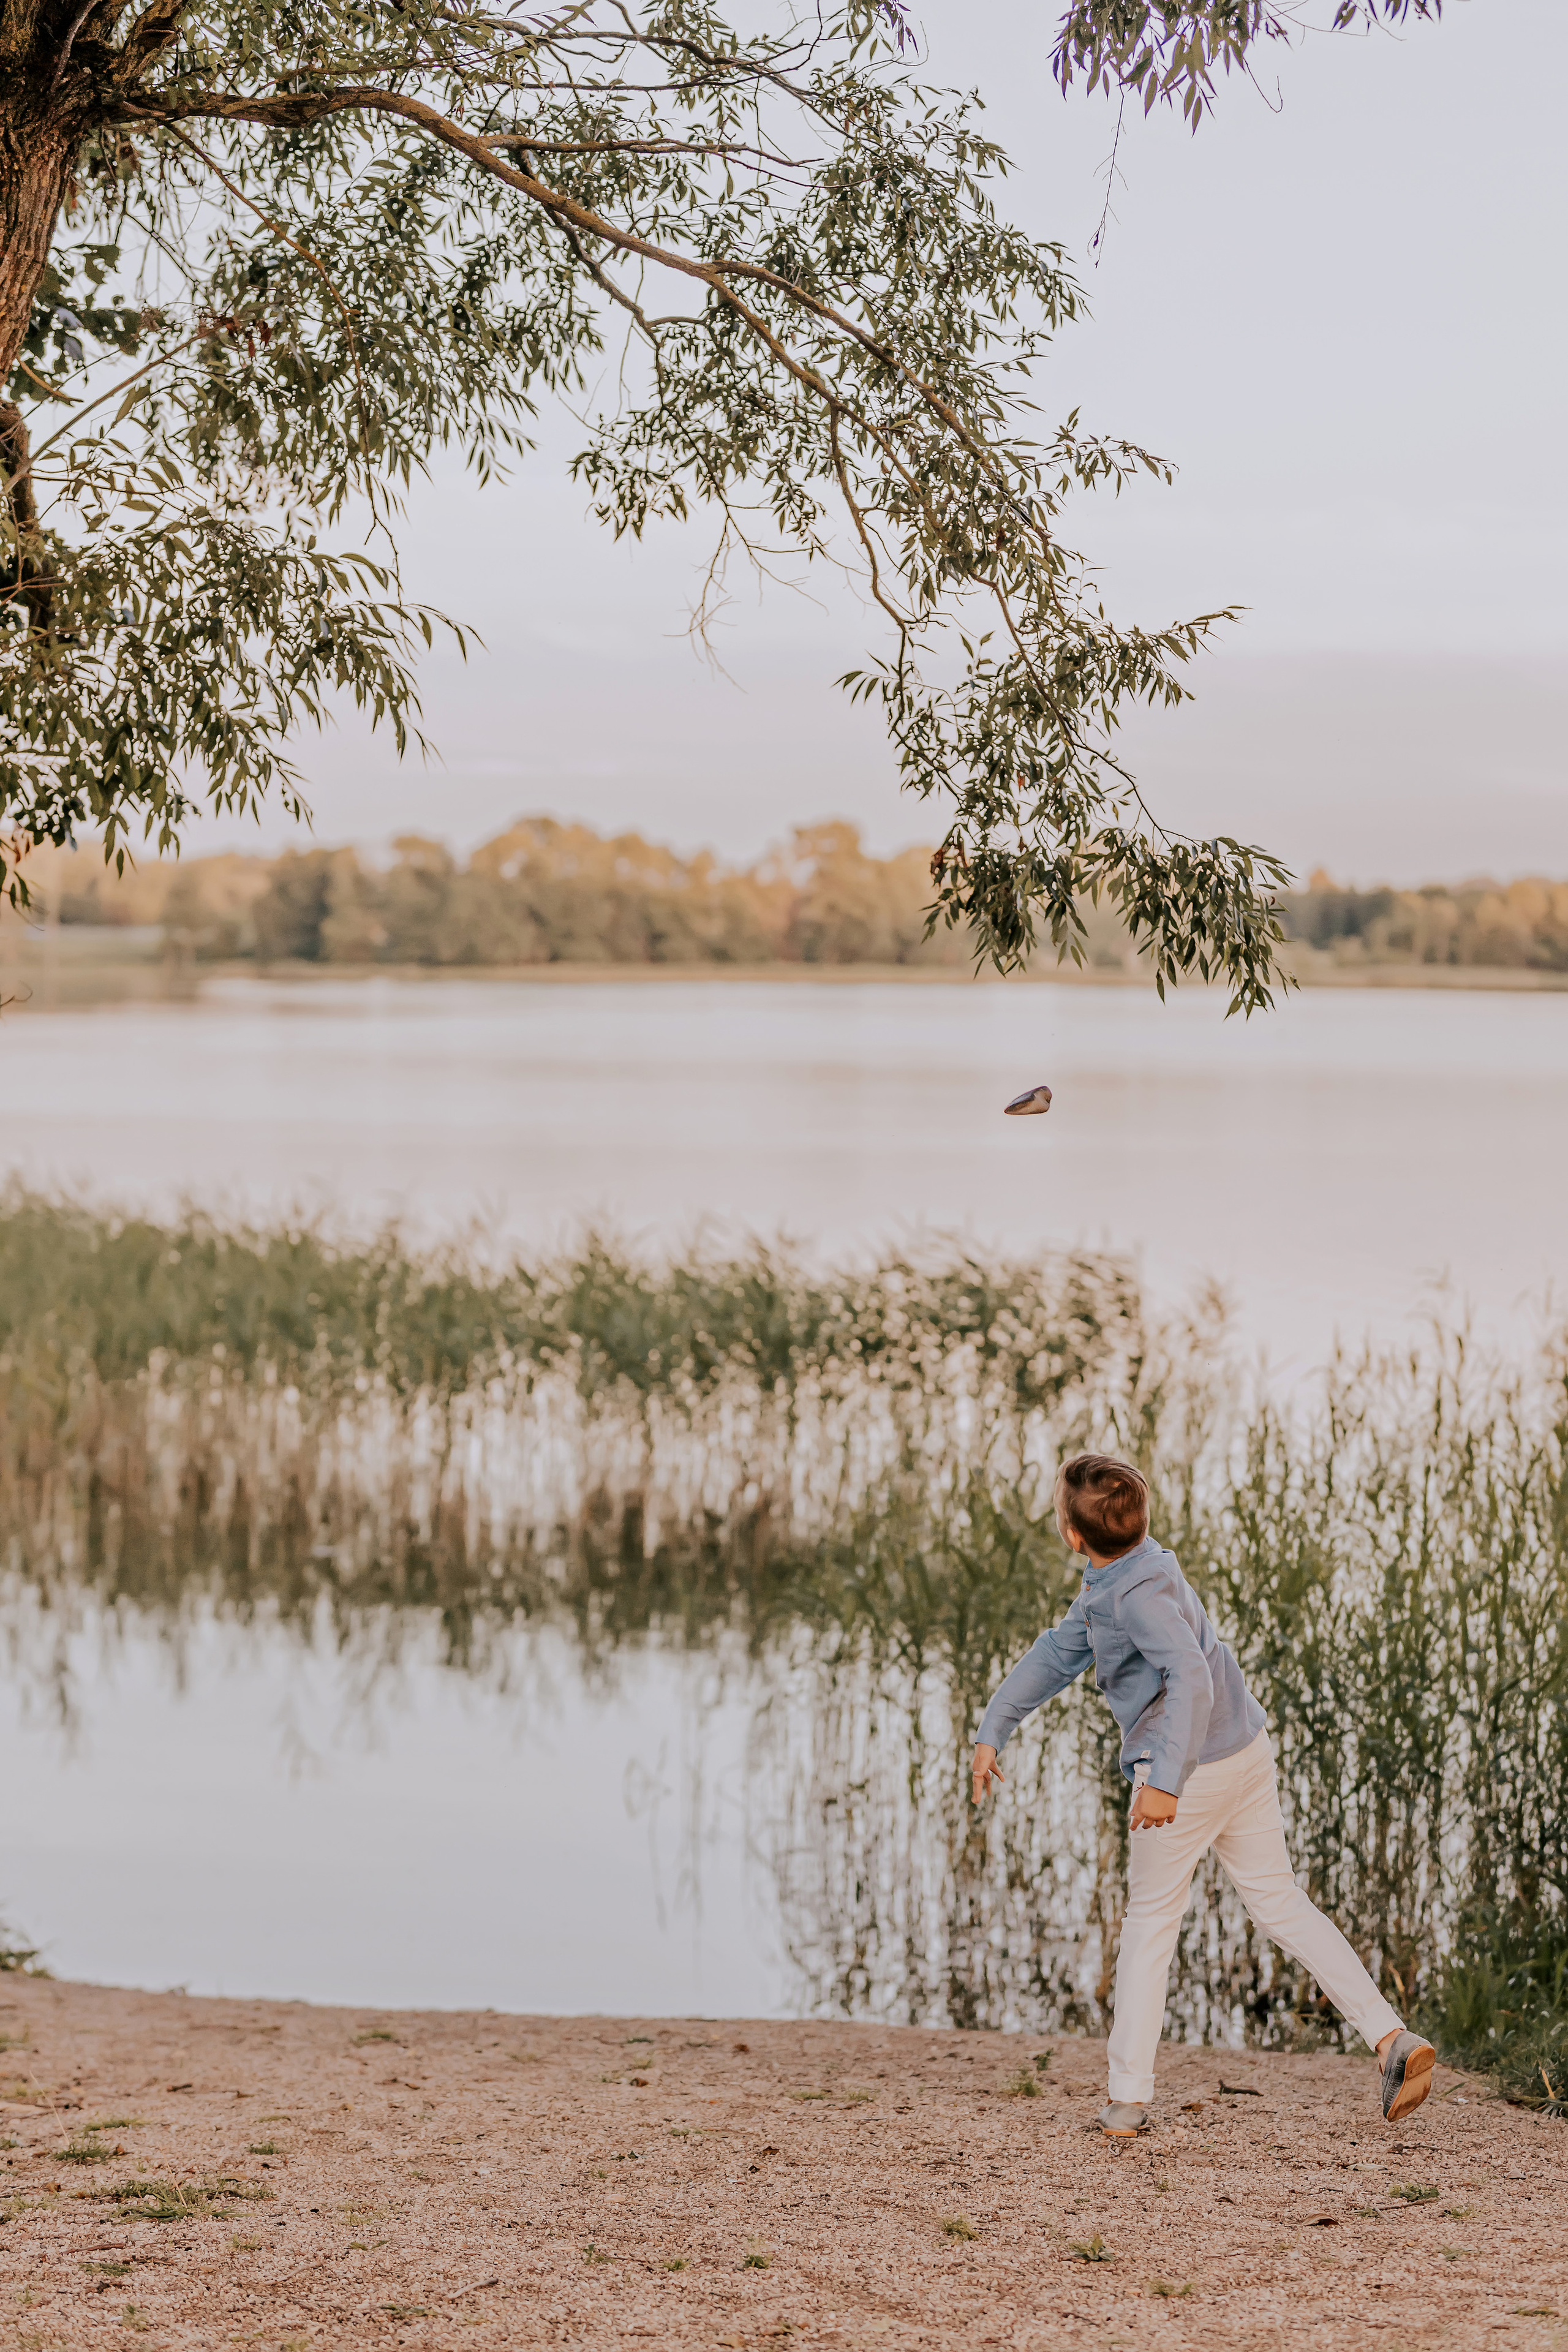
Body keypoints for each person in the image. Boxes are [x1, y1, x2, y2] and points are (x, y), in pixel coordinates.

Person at [970, 1452, 1434, 2137]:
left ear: (1072, 1535)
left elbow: (1190, 1677)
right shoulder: (1140, 1569)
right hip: (1244, 1749)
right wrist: (994, 1727)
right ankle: (1391, 2038)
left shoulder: (1128, 1594)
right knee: (1278, 1901)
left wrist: (1163, 1782)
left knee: (1149, 1923)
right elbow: (1060, 1650)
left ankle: (1127, 2097)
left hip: (1188, 1771)